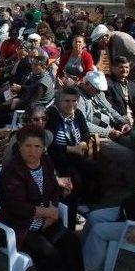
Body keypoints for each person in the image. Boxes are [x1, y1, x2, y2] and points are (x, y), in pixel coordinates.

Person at [0, 125, 108, 271]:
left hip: (45, 221)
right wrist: (46, 212)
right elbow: (15, 205)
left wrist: (54, 209)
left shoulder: (46, 162)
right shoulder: (11, 169)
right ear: (19, 147)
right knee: (48, 253)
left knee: (70, 240)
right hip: (20, 227)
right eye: (28, 146)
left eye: (37, 146)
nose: (33, 151)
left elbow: (53, 189)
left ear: (44, 148)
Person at [46, 86, 99, 229]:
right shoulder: (51, 115)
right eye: (67, 101)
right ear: (58, 102)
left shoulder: (78, 114)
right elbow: (50, 145)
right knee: (74, 178)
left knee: (95, 169)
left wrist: (83, 142)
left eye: (74, 101)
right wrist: (70, 148)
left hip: (76, 155)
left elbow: (86, 133)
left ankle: (84, 203)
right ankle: (69, 218)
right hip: (57, 157)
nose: (71, 104)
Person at [77, 71, 135, 190]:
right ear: (87, 84)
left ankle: (126, 179)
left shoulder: (97, 93)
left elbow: (110, 110)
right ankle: (130, 187)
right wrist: (108, 132)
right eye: (96, 89)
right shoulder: (79, 97)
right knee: (128, 155)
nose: (98, 92)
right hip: (97, 136)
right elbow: (83, 124)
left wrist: (123, 122)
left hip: (113, 130)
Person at [106, 56, 135, 126]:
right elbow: (109, 105)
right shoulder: (108, 84)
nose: (124, 70)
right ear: (113, 68)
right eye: (121, 67)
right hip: (119, 123)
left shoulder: (131, 84)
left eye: (127, 67)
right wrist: (122, 119)